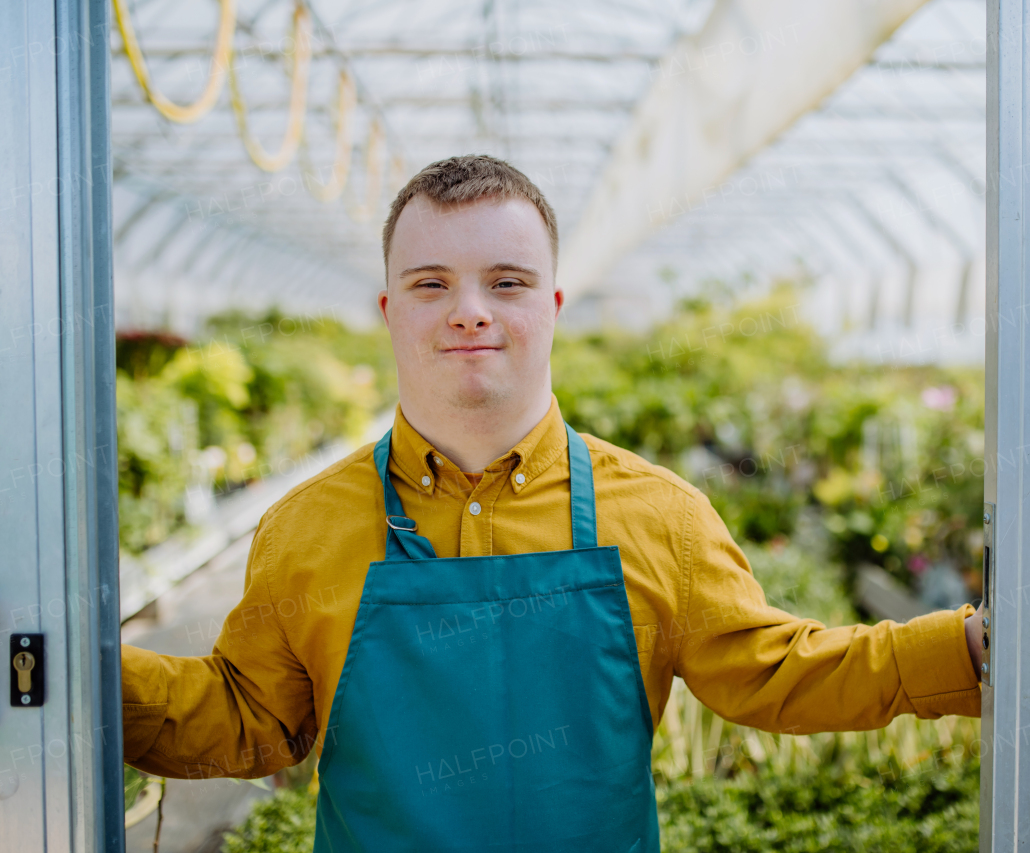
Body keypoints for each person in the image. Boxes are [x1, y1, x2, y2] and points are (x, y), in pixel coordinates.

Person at [122, 155, 984, 852]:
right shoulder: (307, 527)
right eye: (431, 284)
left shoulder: (657, 516)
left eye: (507, 281)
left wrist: (968, 650)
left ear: (553, 305)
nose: (470, 312)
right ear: (388, 310)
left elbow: (773, 673)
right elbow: (249, 722)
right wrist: (81, 677)